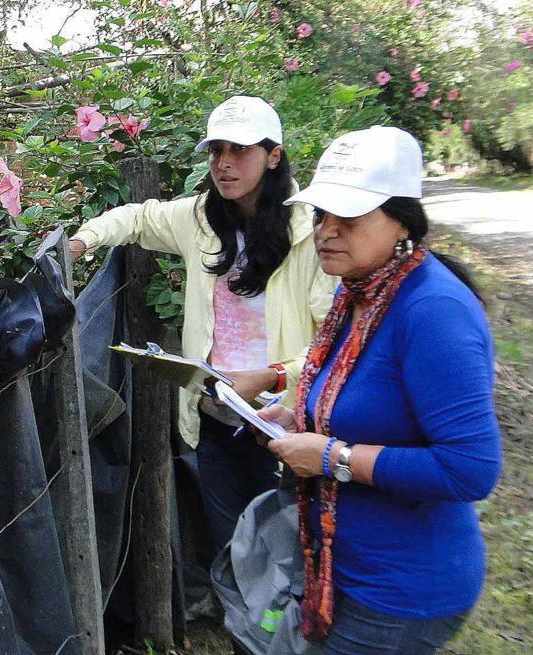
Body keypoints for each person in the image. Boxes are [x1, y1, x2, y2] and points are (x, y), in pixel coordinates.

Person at [260, 126, 502, 654]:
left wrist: (331, 456)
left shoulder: (432, 311)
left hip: (403, 590)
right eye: (322, 213)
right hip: (344, 569)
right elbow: (364, 406)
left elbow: (471, 469)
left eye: (349, 216)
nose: (327, 230)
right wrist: (300, 420)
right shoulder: (360, 295)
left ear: (402, 221)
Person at [69, 95, 337, 557]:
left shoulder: (310, 233)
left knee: (285, 545)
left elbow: (331, 342)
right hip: (215, 413)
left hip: (282, 421)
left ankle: (277, 625)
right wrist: (79, 242)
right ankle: (239, 621)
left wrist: (274, 377)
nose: (224, 164)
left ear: (274, 156)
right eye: (216, 150)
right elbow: (138, 217)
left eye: (240, 150)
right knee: (228, 543)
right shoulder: (202, 218)